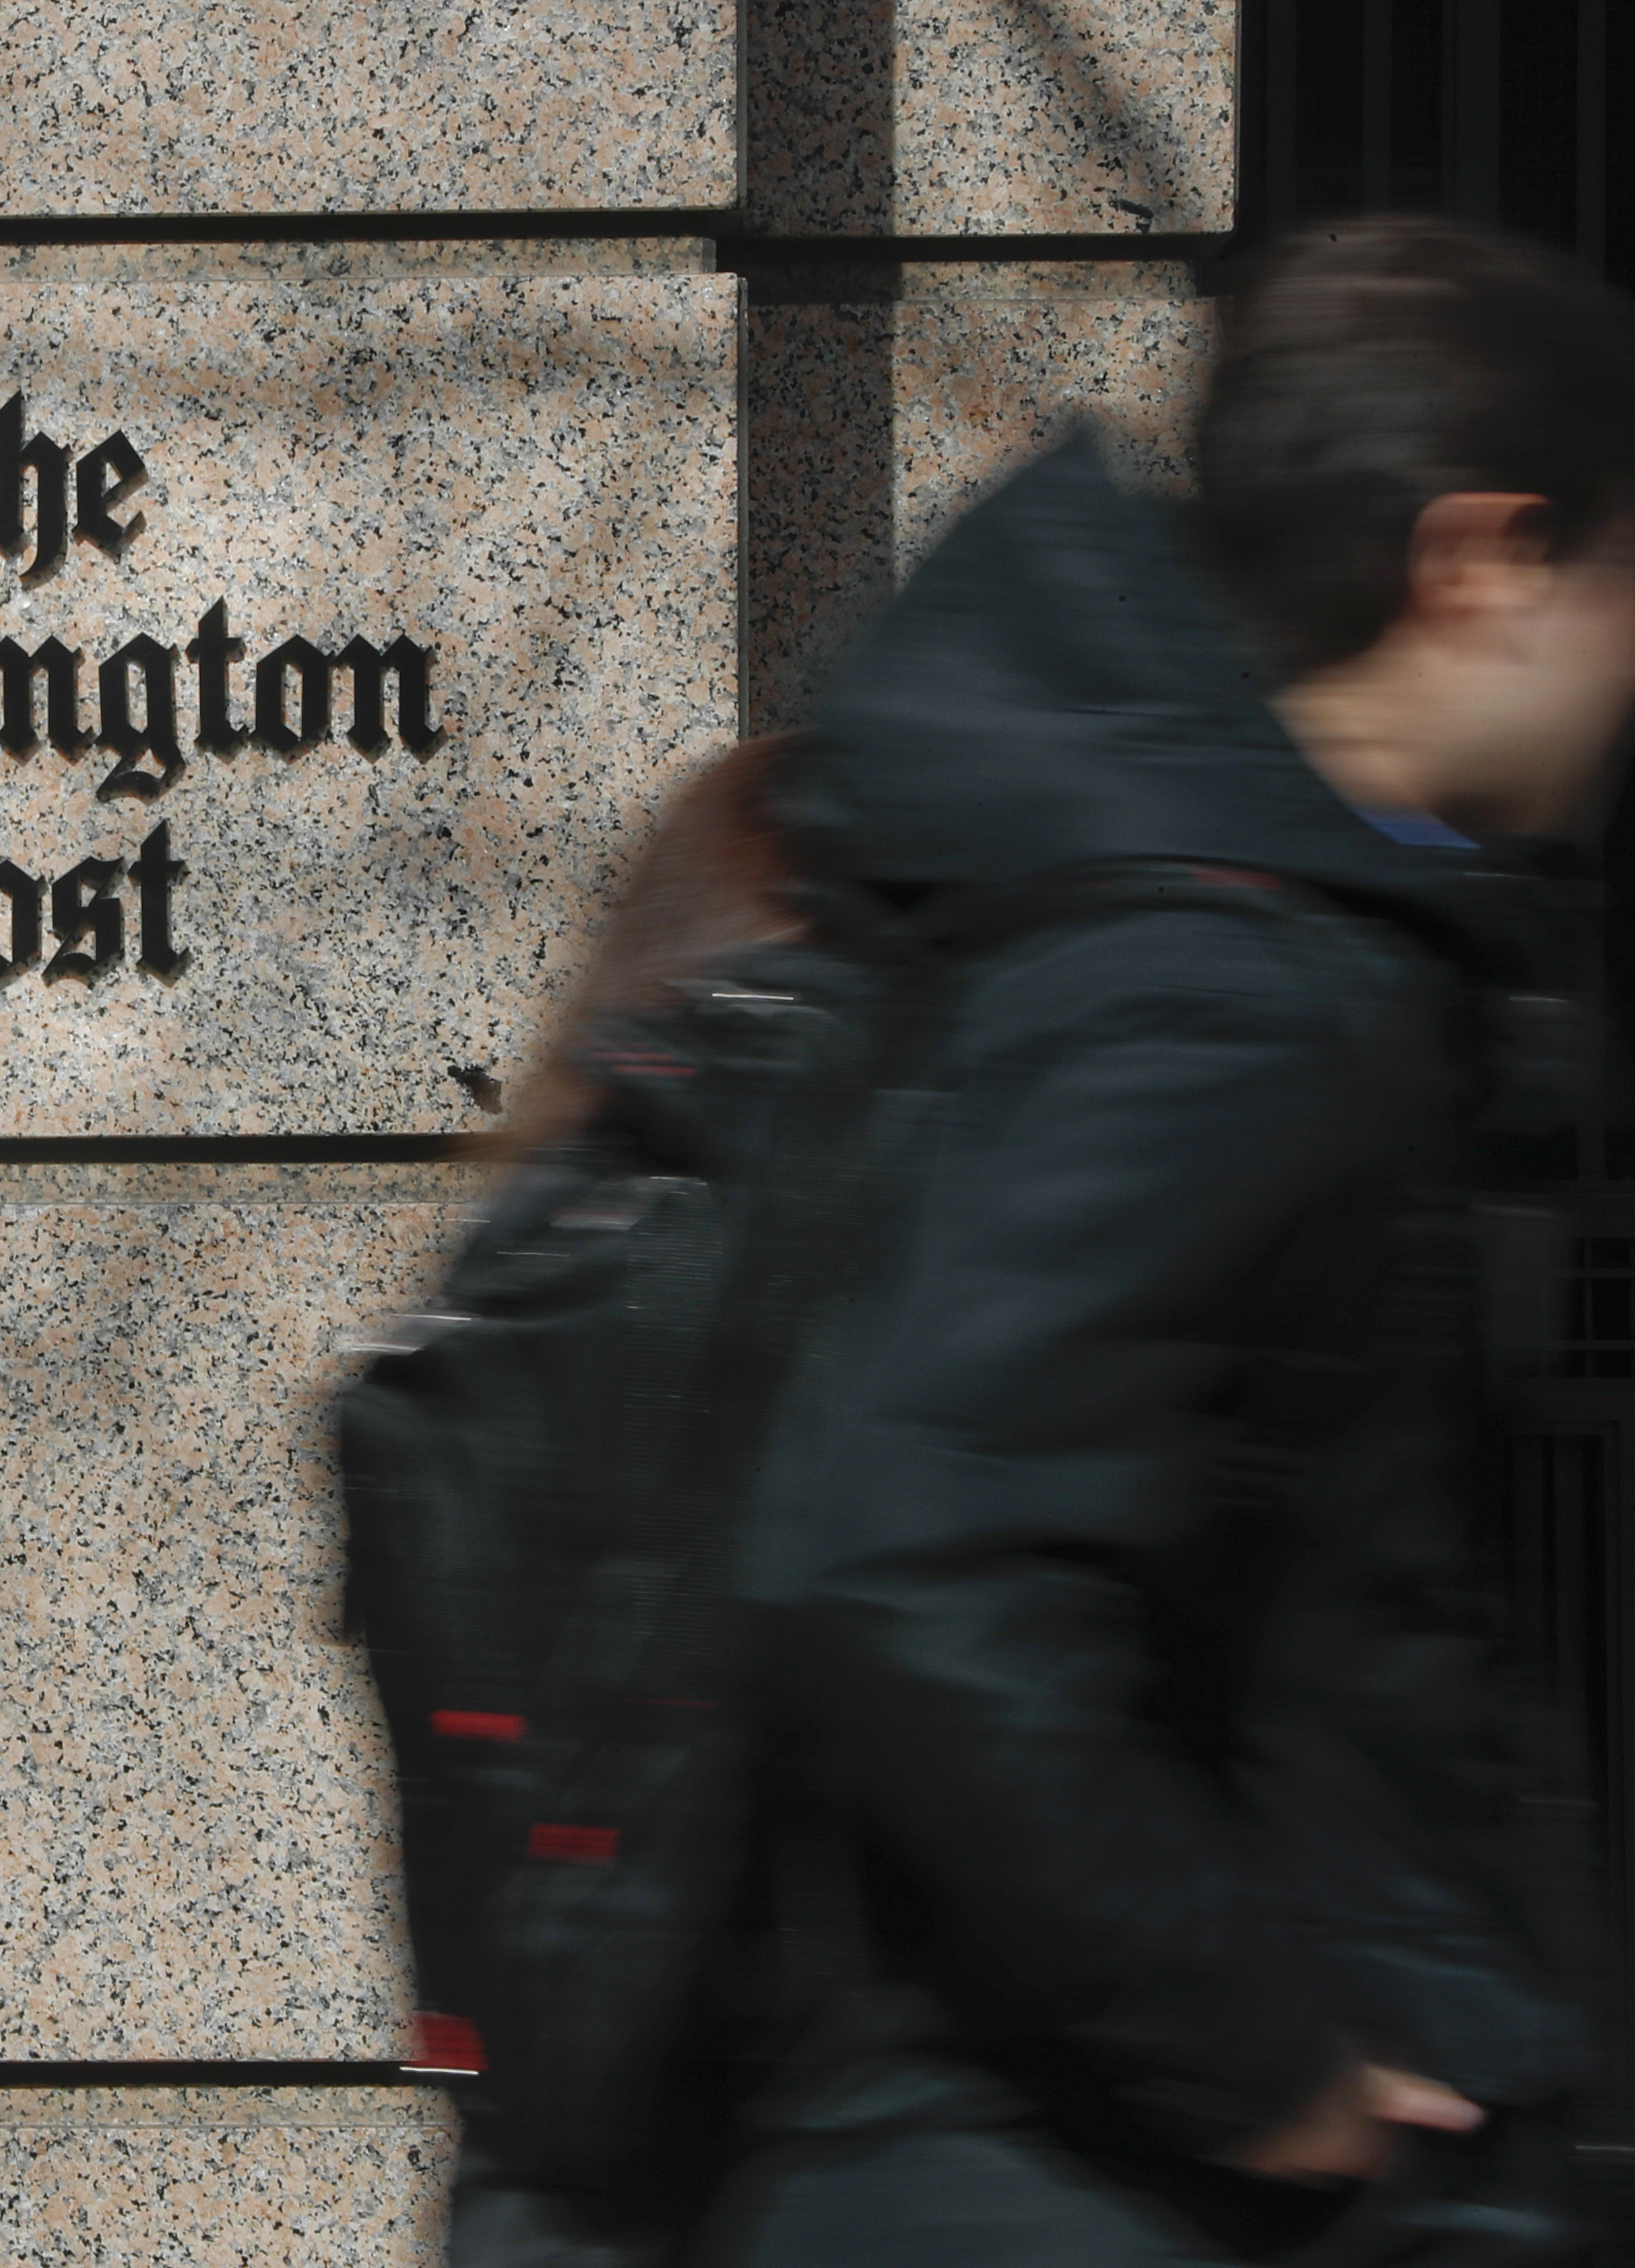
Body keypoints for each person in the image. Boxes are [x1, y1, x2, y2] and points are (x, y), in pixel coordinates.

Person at [675, 218, 1635, 2260]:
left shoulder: (1200, 928)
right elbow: (906, 1557)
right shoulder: (1222, 990)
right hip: (1105, 2188)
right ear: (1482, 564)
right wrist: (1262, 2060)